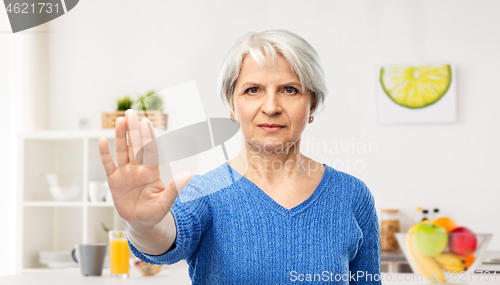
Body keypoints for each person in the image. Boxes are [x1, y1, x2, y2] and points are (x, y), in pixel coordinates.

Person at [99, 29, 381, 284]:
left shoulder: (353, 195)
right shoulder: (204, 193)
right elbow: (162, 241)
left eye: (289, 89)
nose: (271, 107)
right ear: (231, 105)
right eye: (253, 90)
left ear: (312, 105)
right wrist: (142, 225)